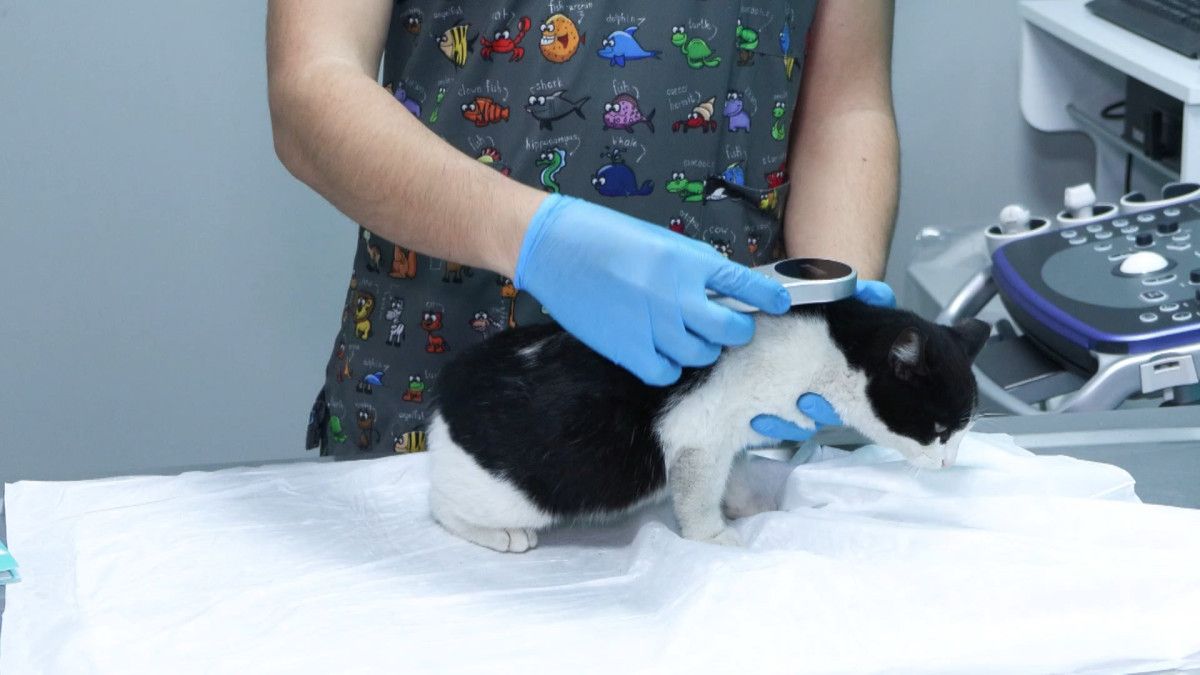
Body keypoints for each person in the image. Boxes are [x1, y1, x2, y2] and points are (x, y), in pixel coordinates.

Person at [267, 0, 899, 459]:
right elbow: (311, 84)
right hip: (439, 418)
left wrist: (826, 328)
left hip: (723, 422)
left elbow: (845, 105)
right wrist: (536, 238)